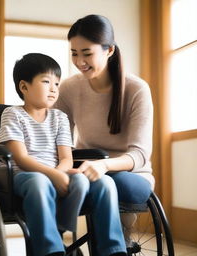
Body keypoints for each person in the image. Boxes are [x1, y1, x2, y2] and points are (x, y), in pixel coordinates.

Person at [0, 53, 127, 256]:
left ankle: (112, 250)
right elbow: (21, 158)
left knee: (105, 182)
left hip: (57, 171)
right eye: (46, 82)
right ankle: (52, 249)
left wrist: (60, 173)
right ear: (24, 87)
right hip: (22, 175)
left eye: (57, 83)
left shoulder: (59, 117)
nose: (53, 89)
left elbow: (66, 158)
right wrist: (53, 175)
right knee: (38, 182)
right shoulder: (13, 114)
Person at [55, 14, 154, 252]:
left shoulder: (136, 89)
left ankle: (114, 245)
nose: (79, 61)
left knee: (105, 181)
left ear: (109, 50)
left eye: (87, 53)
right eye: (74, 53)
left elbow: (140, 154)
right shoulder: (68, 88)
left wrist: (104, 166)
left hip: (131, 175)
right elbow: (59, 138)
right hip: (84, 168)